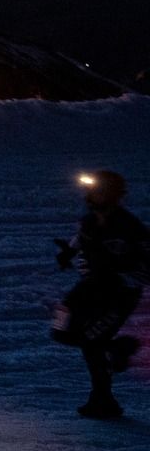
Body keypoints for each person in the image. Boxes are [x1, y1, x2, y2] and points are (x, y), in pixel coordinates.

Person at [52, 168, 147, 420]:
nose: (92, 195)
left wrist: (121, 279)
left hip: (119, 294)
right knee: (61, 329)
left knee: (91, 341)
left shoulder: (130, 228)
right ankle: (118, 348)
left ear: (113, 195)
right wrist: (68, 252)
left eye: (99, 191)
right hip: (90, 287)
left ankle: (103, 399)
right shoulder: (89, 221)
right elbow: (80, 238)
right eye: (91, 190)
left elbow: (146, 264)